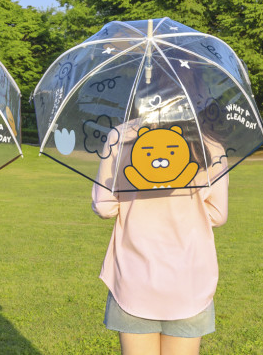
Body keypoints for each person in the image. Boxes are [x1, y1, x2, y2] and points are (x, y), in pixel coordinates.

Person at [92, 119, 228, 355]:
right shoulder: (207, 142)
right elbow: (218, 214)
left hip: (134, 278)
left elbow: (104, 207)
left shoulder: (121, 137)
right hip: (189, 280)